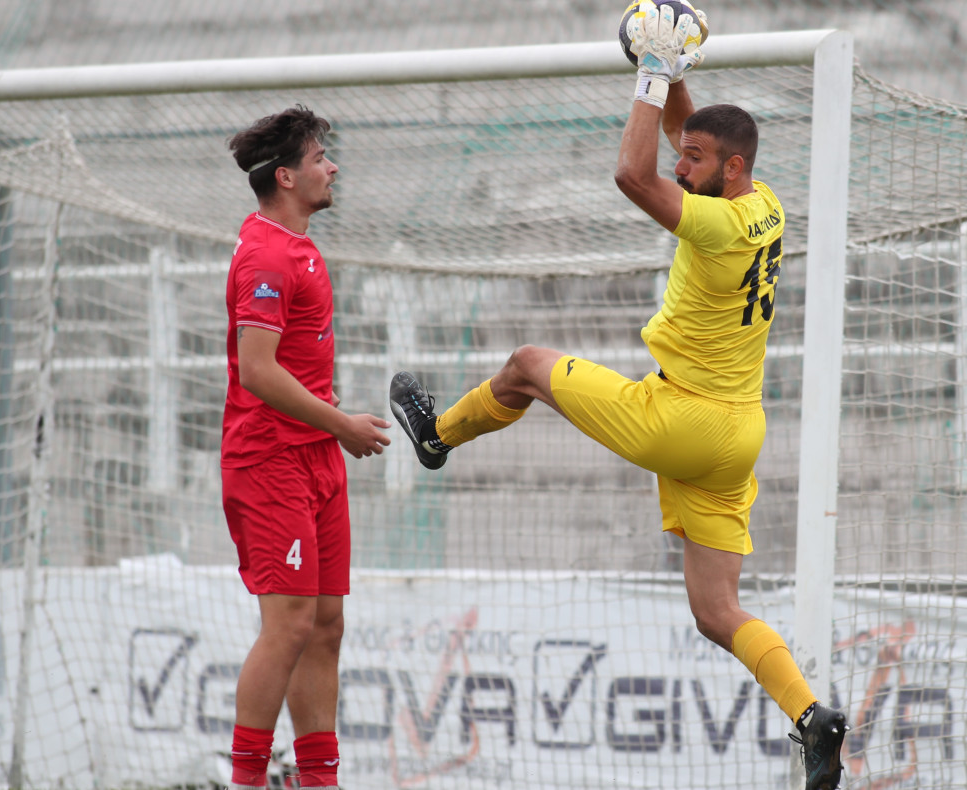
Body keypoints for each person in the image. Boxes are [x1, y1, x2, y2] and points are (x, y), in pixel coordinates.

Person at [386, 6, 848, 789]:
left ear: (728, 170)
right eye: (686, 156)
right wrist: (673, 73)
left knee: (528, 364)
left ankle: (437, 438)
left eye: (695, 161)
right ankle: (811, 716)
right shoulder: (762, 201)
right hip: (738, 432)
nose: (680, 166)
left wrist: (647, 73)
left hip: (682, 420)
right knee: (716, 611)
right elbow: (682, 139)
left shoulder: (716, 228)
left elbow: (630, 173)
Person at [221, 105, 391, 790]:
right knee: (288, 626)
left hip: (313, 457)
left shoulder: (299, 246)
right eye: (322, 156)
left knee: (324, 625)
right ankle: (246, 781)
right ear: (286, 176)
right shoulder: (264, 253)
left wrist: (330, 435)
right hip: (270, 460)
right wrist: (342, 424)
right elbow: (257, 371)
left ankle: (321, 781)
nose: (333, 166)